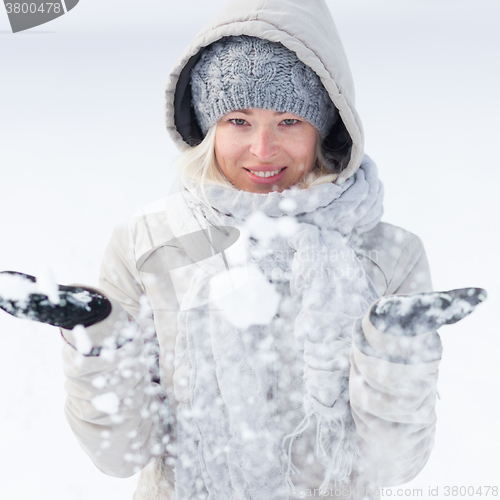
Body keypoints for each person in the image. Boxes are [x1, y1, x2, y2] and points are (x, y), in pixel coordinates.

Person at [0, 0, 486, 499]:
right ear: (210, 128)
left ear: (326, 127)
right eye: (238, 120)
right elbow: (120, 455)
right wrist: (98, 341)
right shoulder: (147, 245)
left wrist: (393, 351)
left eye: (289, 121)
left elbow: (394, 465)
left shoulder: (388, 255)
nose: (262, 149)